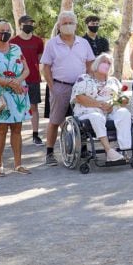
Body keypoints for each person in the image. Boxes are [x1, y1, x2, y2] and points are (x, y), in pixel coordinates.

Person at [40, 11, 95, 166]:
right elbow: (46, 67)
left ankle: (83, 149)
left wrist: (90, 83)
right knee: (55, 120)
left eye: (71, 22)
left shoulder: (83, 43)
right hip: (60, 86)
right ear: (59, 26)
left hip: (81, 87)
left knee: (82, 118)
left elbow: (90, 64)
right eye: (65, 23)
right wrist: (52, 87)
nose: (68, 25)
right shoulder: (52, 44)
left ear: (76, 25)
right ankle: (50, 153)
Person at [0, 19, 32, 176]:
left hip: (18, 92)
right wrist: (9, 82)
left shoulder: (16, 48)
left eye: (7, 30)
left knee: (17, 128)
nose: (4, 33)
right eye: (1, 30)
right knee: (1, 128)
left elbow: (27, 70)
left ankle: (18, 164)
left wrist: (18, 81)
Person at [71, 53, 133, 163]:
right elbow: (79, 97)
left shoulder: (113, 81)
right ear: (96, 64)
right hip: (87, 112)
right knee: (96, 116)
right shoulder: (84, 78)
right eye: (103, 62)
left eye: (109, 63)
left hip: (110, 112)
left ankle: (125, 149)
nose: (106, 64)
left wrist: (113, 103)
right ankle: (109, 151)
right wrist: (100, 105)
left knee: (124, 112)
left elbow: (124, 99)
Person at [10, 14, 45, 145]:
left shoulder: (38, 41)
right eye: (27, 23)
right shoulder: (13, 42)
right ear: (20, 25)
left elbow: (42, 58)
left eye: (31, 23)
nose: (29, 25)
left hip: (34, 78)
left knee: (33, 107)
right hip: (18, 79)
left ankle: (35, 135)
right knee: (16, 106)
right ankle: (14, 134)